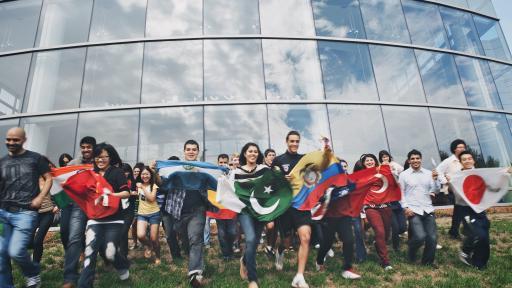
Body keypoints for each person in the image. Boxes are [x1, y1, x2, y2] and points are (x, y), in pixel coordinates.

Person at [0, 127, 52, 288]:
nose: (11, 142)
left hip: (26, 213)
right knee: (1, 254)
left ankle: (32, 273)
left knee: (15, 251)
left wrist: (40, 197)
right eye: (8, 139)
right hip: (3, 212)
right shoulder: (2, 162)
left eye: (15, 139)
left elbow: (49, 179)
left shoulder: (35, 159)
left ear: (24, 140)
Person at [160, 140, 214, 287]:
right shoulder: (176, 168)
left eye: (194, 149)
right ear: (184, 151)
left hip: (198, 210)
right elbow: (162, 184)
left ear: (198, 152)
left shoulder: (204, 169)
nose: (191, 152)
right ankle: (192, 259)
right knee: (185, 240)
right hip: (178, 211)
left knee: (196, 239)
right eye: (188, 149)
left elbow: (215, 181)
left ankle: (195, 273)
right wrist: (154, 171)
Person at [77, 143, 131, 287]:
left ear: (110, 157)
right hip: (94, 219)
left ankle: (122, 265)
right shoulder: (90, 173)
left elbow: (126, 192)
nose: (100, 160)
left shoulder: (117, 172)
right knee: (89, 253)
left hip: (114, 220)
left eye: (103, 157)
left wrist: (110, 195)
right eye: (97, 157)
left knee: (110, 253)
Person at [273, 131, 310, 288]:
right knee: (287, 241)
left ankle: (299, 276)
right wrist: (282, 179)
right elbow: (271, 183)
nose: (294, 143)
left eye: (297, 141)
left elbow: (312, 177)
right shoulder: (278, 160)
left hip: (301, 204)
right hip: (286, 206)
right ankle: (280, 251)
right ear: (286, 141)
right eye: (292, 141)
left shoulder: (305, 159)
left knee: (305, 238)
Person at [61, 136, 95, 288]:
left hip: (93, 204)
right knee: (71, 236)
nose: (86, 150)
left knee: (91, 239)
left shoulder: (99, 162)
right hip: (75, 204)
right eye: (83, 147)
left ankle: (70, 278)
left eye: (89, 147)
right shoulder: (74, 163)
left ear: (94, 147)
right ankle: (71, 276)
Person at [399, 149, 440, 266]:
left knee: (432, 238)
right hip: (413, 210)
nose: (415, 160)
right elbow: (400, 193)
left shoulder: (429, 173)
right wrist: (405, 207)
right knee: (420, 236)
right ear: (409, 161)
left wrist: (436, 180)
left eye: (417, 158)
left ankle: (427, 262)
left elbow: (435, 190)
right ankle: (411, 252)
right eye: (412, 159)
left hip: (428, 208)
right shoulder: (404, 175)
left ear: (421, 159)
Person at [451, 151, 490, 270]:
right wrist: (451, 182)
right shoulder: (457, 176)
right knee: (480, 235)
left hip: (479, 209)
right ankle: (466, 251)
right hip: (465, 209)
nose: (467, 161)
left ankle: (481, 262)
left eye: (469, 158)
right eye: (464, 159)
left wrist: (504, 173)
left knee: (485, 234)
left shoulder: (480, 174)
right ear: (461, 162)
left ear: (473, 160)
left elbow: (491, 184)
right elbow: (457, 195)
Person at [236, 143, 267, 288]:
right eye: (250, 151)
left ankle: (244, 260)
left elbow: (272, 186)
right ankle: (253, 279)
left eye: (255, 151)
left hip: (260, 211)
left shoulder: (264, 170)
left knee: (253, 244)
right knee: (251, 238)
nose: (253, 153)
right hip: (244, 211)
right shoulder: (236, 171)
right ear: (245, 154)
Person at [359, 153, 393, 270]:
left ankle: (377, 244)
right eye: (367, 161)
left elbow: (393, 184)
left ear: (375, 161)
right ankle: (385, 261)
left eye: (371, 160)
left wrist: (389, 170)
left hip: (385, 206)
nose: (369, 162)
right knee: (380, 232)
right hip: (371, 208)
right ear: (363, 164)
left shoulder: (382, 172)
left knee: (386, 234)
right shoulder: (361, 176)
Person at [206, 154, 237, 260]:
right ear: (218, 163)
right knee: (222, 232)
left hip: (231, 208)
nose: (223, 164)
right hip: (218, 208)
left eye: (225, 162)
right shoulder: (214, 174)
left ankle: (230, 248)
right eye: (221, 162)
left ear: (228, 163)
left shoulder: (233, 173)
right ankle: (226, 254)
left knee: (232, 232)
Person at [31, 158, 58, 264]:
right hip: (33, 214)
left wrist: (58, 206)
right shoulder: (31, 178)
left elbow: (62, 193)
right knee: (28, 241)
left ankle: (35, 265)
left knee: (38, 240)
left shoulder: (51, 179)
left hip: (47, 213)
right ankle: (33, 255)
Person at [437, 139, 466, 238]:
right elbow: (438, 171)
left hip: (466, 189)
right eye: (460, 147)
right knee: (462, 209)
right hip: (454, 190)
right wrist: (445, 182)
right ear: (454, 149)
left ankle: (454, 231)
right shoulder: (449, 161)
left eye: (464, 147)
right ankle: (464, 231)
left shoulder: (466, 159)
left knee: (459, 210)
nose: (463, 149)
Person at [378, 150, 407, 251]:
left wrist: (393, 170)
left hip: (397, 200)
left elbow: (402, 172)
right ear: (380, 159)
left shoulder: (394, 165)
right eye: (383, 157)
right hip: (388, 201)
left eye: (386, 156)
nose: (385, 158)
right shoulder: (380, 168)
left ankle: (395, 235)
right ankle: (396, 247)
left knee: (403, 227)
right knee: (395, 227)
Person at [160, 156, 184, 260]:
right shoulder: (163, 177)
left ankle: (185, 248)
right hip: (166, 210)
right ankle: (176, 256)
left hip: (180, 209)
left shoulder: (183, 177)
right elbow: (160, 188)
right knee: (169, 234)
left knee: (180, 230)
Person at [136, 166, 161, 265]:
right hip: (142, 214)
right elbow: (140, 198)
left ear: (151, 175)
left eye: (147, 174)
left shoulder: (153, 186)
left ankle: (158, 256)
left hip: (154, 213)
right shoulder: (138, 185)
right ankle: (149, 246)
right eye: (143, 174)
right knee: (141, 236)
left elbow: (151, 198)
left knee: (154, 238)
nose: (145, 176)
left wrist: (142, 187)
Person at [120, 163, 135, 258]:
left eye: (127, 171)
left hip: (129, 210)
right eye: (123, 171)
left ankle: (123, 255)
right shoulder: (117, 181)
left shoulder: (133, 182)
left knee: (124, 230)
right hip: (119, 210)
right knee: (122, 232)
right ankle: (123, 253)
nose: (125, 174)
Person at [129, 162, 144, 250]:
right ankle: (135, 243)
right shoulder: (132, 182)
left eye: (138, 172)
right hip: (133, 205)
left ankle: (143, 243)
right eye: (134, 172)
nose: (135, 173)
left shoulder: (143, 182)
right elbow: (130, 192)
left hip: (142, 206)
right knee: (134, 225)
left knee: (142, 225)